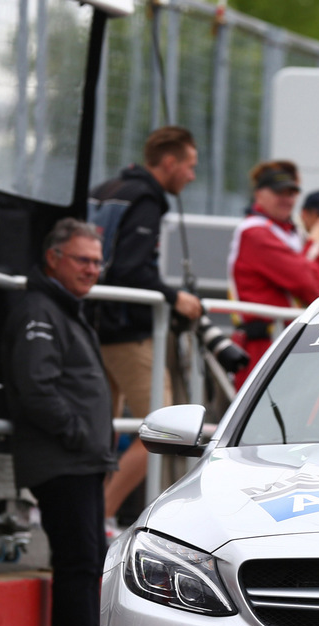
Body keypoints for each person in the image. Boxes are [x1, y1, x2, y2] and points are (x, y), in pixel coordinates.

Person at [1, 219, 116, 626]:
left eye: (96, 261)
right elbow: (36, 388)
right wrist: (76, 434)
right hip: (63, 459)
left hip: (81, 459)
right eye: (82, 259)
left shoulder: (64, 308)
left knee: (87, 563)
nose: (92, 269)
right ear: (54, 259)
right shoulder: (40, 309)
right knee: (77, 563)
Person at [88, 126, 203, 539]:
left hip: (93, 325)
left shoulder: (107, 188)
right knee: (166, 430)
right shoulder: (146, 198)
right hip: (127, 331)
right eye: (189, 165)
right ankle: (100, 514)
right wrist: (175, 298)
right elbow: (132, 270)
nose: (192, 176)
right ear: (168, 162)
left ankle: (89, 513)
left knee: (101, 429)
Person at [227, 162, 319, 388]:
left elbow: (313, 281)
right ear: (259, 194)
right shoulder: (255, 232)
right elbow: (309, 285)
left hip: (281, 342)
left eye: (292, 192)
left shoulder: (283, 231)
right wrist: (318, 240)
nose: (287, 199)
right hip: (263, 347)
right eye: (279, 192)